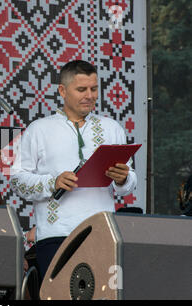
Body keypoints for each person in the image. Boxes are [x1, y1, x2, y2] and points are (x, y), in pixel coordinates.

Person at [10, 60, 137, 285]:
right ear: (62, 90)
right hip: (56, 234)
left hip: (102, 233)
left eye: (94, 89)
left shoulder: (112, 128)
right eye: (81, 89)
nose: (89, 95)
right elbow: (18, 181)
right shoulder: (39, 129)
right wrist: (53, 182)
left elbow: (129, 184)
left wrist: (124, 177)